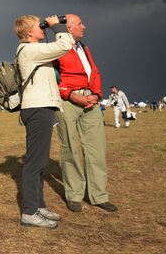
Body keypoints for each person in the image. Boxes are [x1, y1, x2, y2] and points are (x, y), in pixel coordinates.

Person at [15, 14, 74, 228]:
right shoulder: (29, 50)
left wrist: (50, 27)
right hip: (37, 108)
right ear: (29, 32)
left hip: (42, 107)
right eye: (39, 25)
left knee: (40, 163)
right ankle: (29, 213)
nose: (43, 27)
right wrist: (56, 25)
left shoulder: (34, 50)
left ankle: (38, 206)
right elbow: (66, 43)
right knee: (34, 164)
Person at [55, 14, 118, 213]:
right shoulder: (56, 49)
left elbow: (95, 72)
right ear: (68, 29)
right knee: (71, 148)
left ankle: (99, 196)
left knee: (96, 149)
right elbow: (53, 77)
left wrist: (97, 95)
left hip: (91, 102)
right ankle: (74, 195)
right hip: (69, 102)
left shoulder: (85, 48)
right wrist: (71, 95)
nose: (84, 26)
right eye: (80, 24)